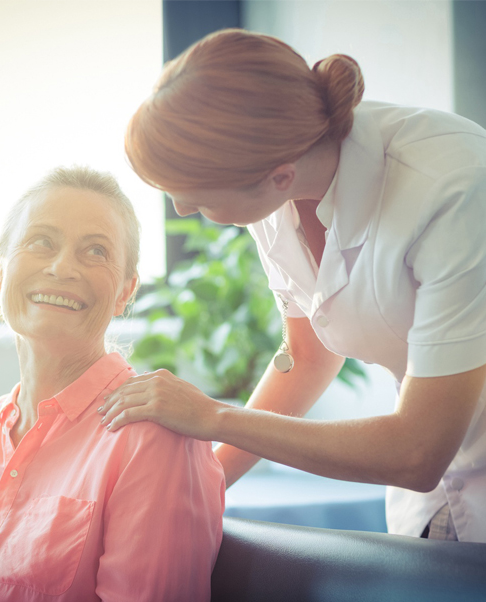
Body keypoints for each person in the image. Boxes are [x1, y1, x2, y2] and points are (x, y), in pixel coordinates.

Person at [97, 28, 486, 543]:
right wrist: (201, 489)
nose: (183, 210)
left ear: (278, 175)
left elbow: (417, 452)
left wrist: (214, 417)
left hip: (428, 449)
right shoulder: (276, 189)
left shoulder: (453, 189)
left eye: (200, 198)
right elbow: (305, 354)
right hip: (433, 490)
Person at [0, 166, 225, 602]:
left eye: (96, 251)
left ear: (126, 291)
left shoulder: (152, 435)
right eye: (41, 242)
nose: (62, 267)